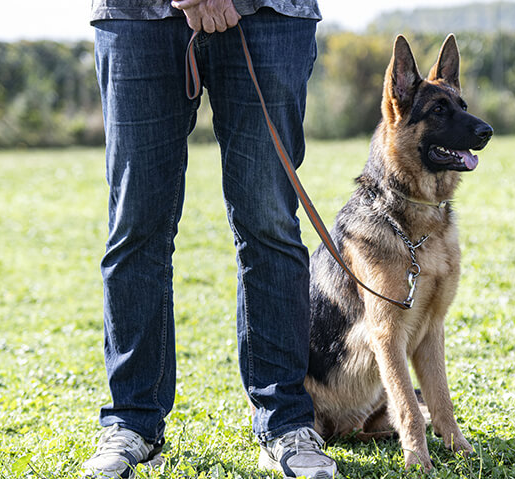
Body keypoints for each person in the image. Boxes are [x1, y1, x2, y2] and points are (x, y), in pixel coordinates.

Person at [81, 1, 337, 478]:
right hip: (135, 15)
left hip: (269, 13)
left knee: (270, 224)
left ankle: (285, 424)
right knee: (136, 227)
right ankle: (133, 422)